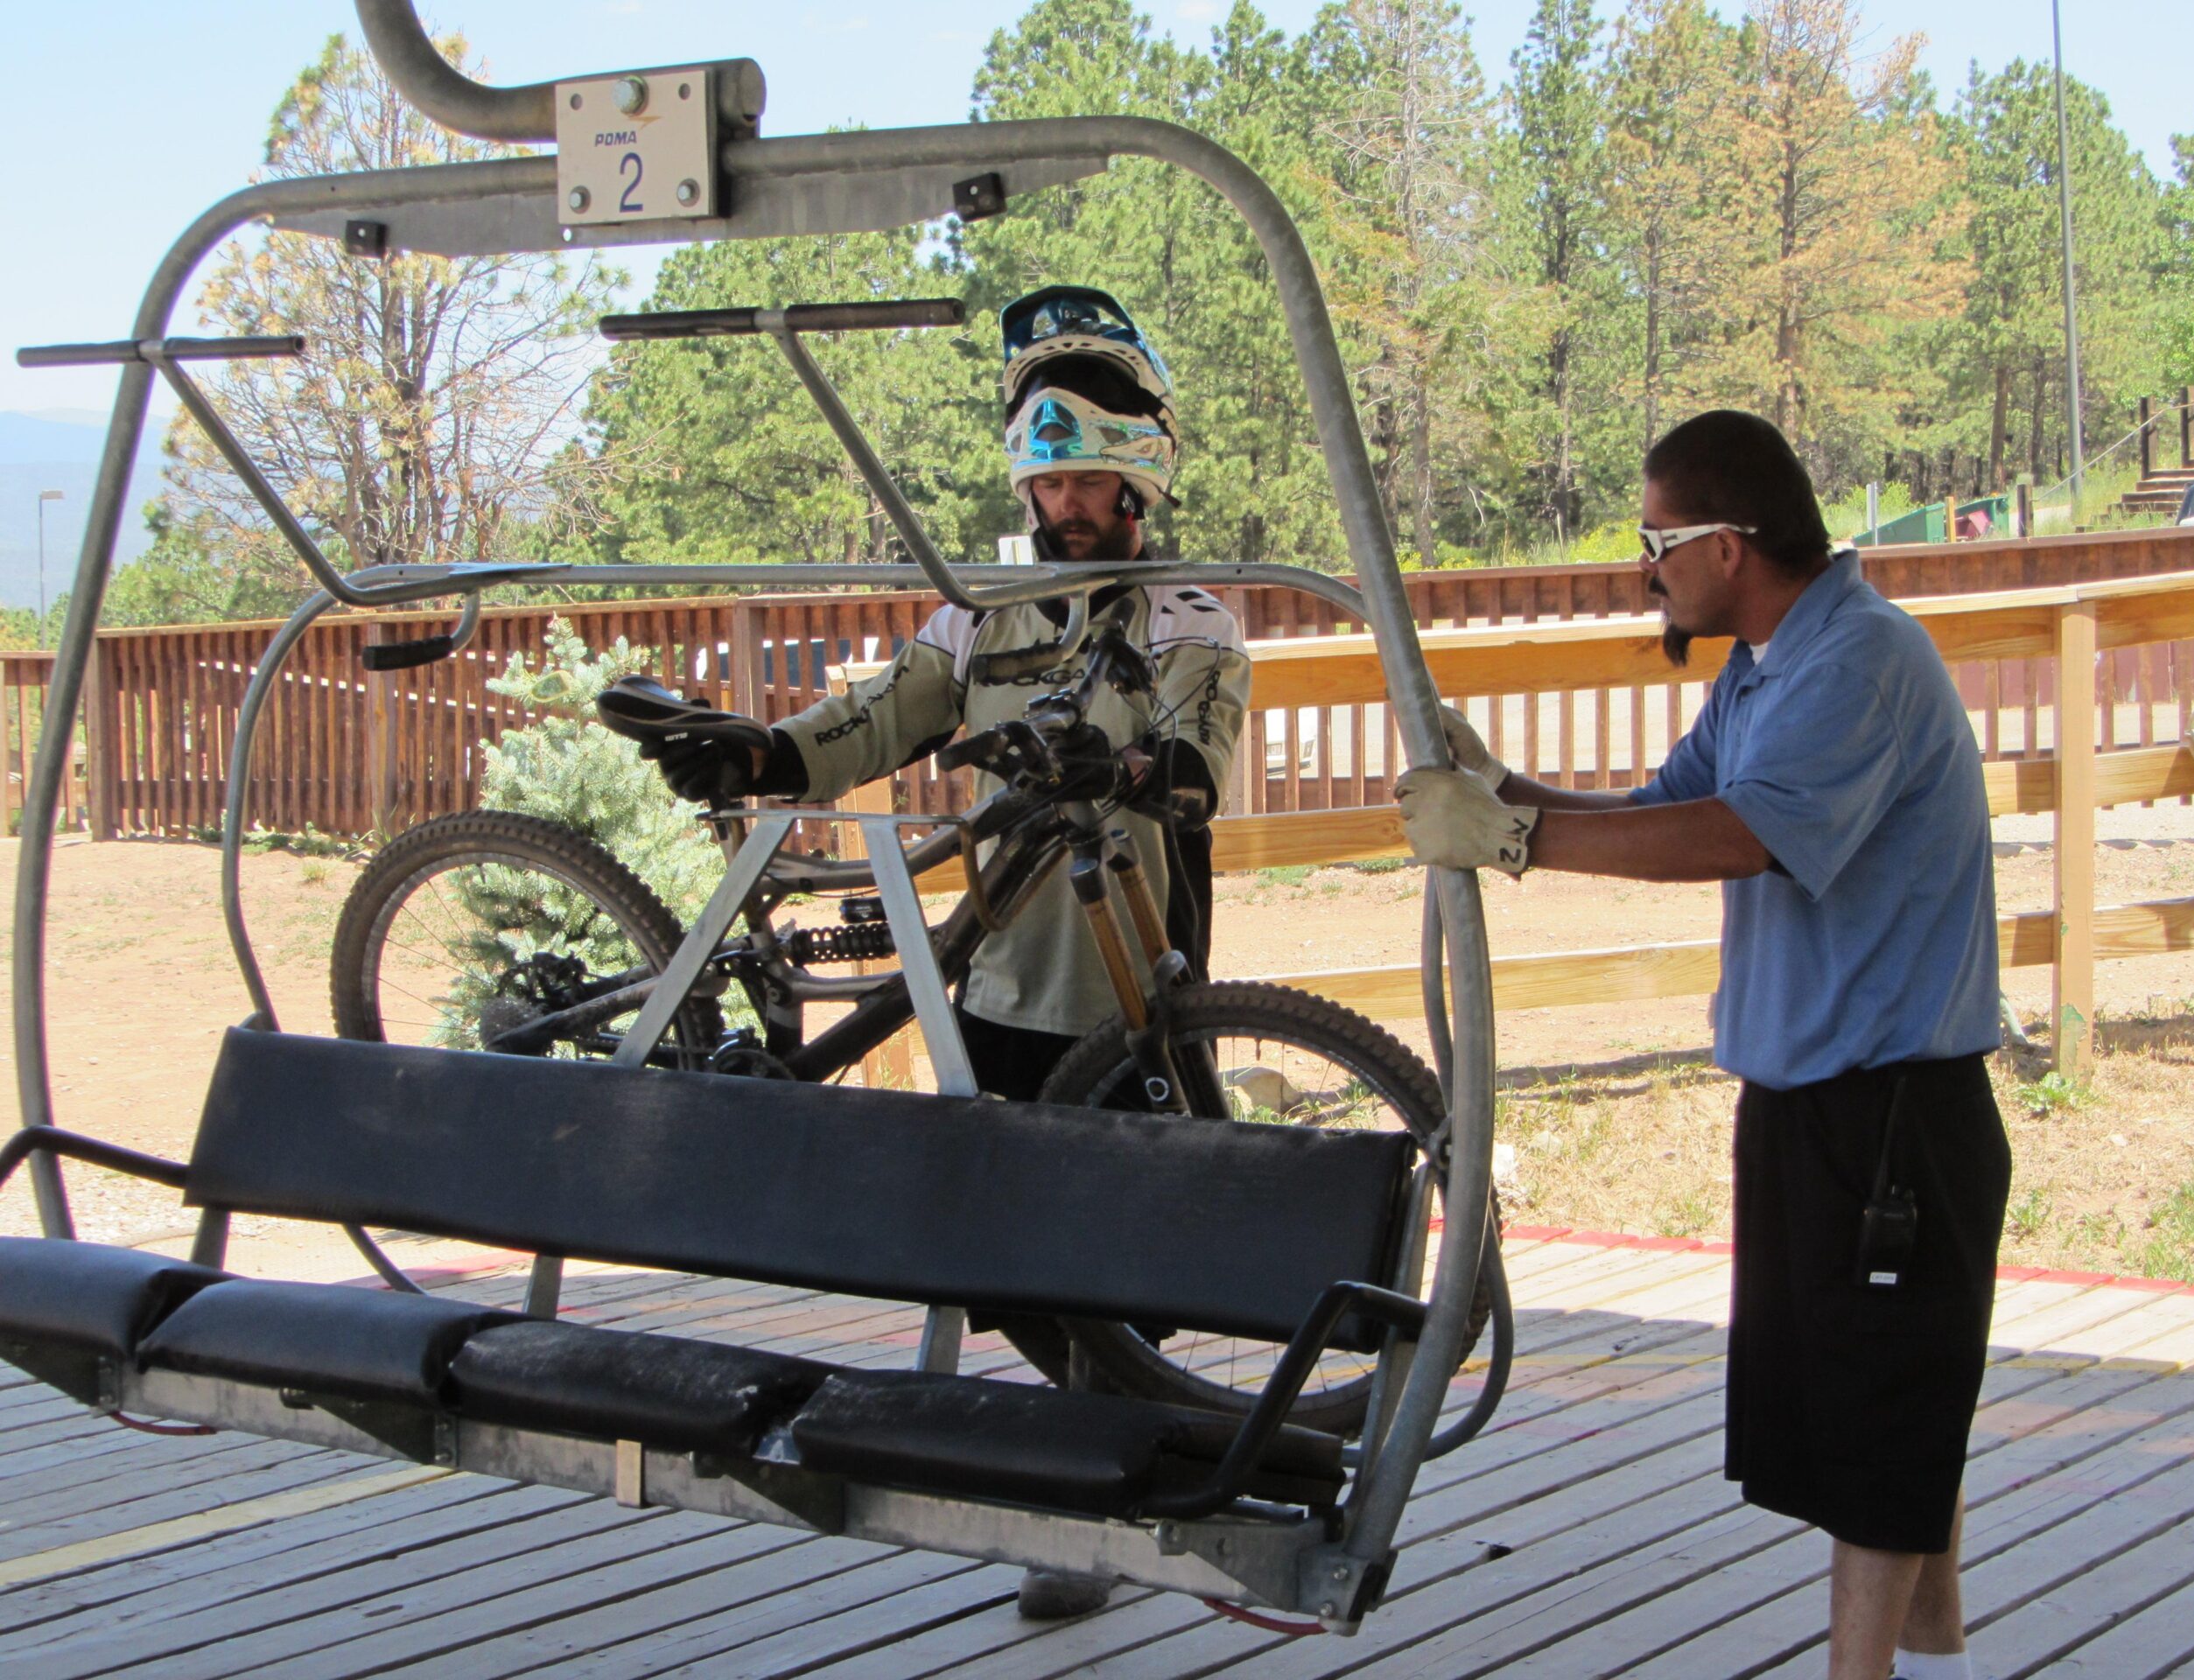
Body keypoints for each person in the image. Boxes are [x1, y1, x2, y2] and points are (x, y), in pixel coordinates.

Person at [640, 287, 1251, 1621]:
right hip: (992, 978)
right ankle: (1102, 1467)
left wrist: (1133, 761)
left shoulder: (1192, 620)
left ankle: (1091, 1515)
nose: (1062, 505)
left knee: (1107, 1265)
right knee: (995, 1247)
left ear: (1137, 482)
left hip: (1129, 977)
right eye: (1045, 481)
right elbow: (882, 714)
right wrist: (766, 749)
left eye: (1084, 478)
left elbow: (1205, 764)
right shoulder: (978, 618)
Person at [1397, 410, 2007, 1680]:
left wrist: (1510, 840)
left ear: (1731, 544)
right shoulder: (1769, 661)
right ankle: (1937, 1639)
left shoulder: (1859, 662)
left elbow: (1743, 835)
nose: (1645, 568)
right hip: (1809, 1103)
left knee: (1885, 1413)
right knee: (1878, 1400)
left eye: (1657, 540)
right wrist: (1504, 790)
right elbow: (1666, 811)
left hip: (1894, 1114)